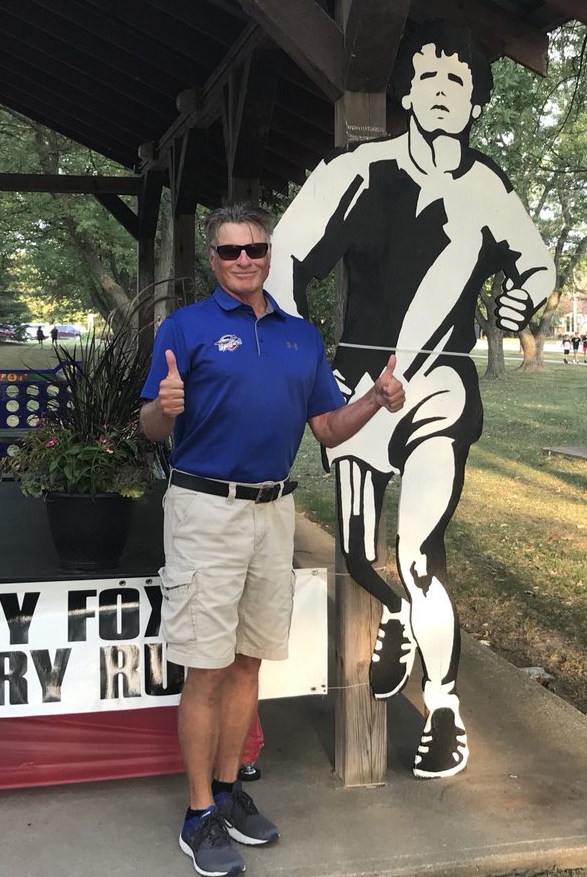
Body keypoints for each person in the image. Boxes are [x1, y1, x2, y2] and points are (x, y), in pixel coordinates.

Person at [267, 22, 554, 782]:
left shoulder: (487, 187)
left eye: (458, 84)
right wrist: (309, 368)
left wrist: (525, 298)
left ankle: (447, 705)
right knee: (360, 556)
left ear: (475, 104)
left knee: (421, 556)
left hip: (439, 390)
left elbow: (538, 264)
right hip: (359, 392)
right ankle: (392, 616)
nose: (442, 94)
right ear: (404, 94)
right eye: (428, 79)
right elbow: (283, 260)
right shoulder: (356, 169)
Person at [141, 203, 404, 877]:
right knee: (206, 666)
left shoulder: (299, 337)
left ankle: (227, 793)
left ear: (268, 252)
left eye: (255, 248)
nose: (244, 260)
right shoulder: (186, 327)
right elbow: (148, 428)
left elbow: (326, 428)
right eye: (230, 252)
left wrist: (375, 400)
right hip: (205, 509)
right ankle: (198, 814)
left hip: (273, 510)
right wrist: (161, 411)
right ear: (213, 258)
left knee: (250, 661)